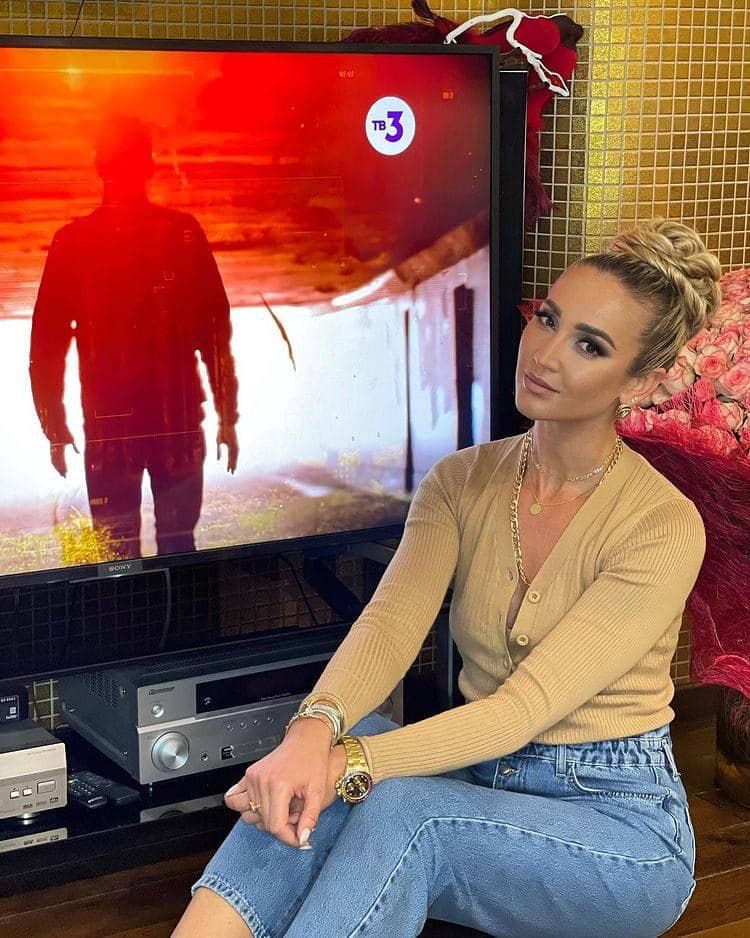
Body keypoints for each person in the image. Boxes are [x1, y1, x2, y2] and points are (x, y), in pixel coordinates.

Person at [173, 219, 720, 938]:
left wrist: (346, 763)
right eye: (548, 320)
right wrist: (312, 732)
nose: (546, 354)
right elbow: (390, 625)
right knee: (343, 737)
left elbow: (520, 712)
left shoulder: (662, 525)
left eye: (589, 345)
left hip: (616, 829)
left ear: (643, 380)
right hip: (482, 783)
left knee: (402, 805)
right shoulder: (461, 481)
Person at [29, 115, 239, 559]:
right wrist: (227, 417)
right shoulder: (182, 233)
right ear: (149, 165)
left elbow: (46, 345)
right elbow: (214, 335)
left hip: (112, 433)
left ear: (99, 166)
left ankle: (129, 609)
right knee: (178, 551)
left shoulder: (73, 243)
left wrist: (54, 425)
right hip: (176, 425)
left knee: (117, 557)